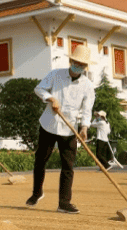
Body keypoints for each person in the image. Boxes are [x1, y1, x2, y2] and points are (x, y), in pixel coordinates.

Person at [26, 44, 95, 214]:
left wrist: (84, 128)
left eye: (82, 65)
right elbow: (39, 88)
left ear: (85, 67)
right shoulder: (55, 74)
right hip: (49, 124)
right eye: (76, 62)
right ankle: (37, 193)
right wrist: (50, 98)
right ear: (71, 60)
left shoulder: (88, 85)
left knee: (68, 166)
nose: (78, 66)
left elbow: (87, 110)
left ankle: (64, 203)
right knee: (40, 160)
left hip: (69, 128)